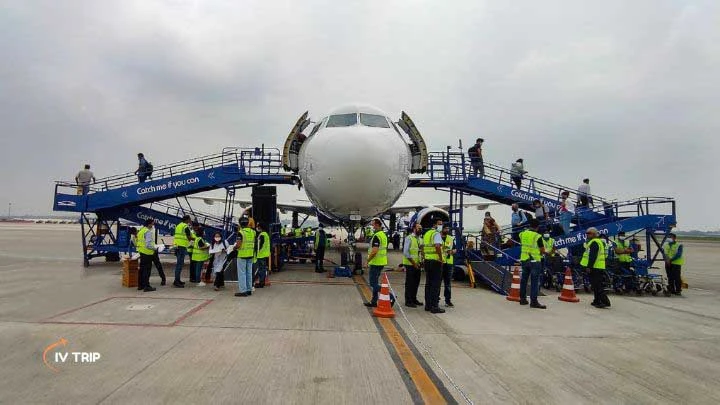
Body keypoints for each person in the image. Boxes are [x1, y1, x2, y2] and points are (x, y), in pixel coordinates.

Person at [518, 219, 546, 309]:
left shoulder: (522, 234)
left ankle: (522, 299)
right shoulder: (537, 236)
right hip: (534, 261)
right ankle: (533, 302)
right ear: (537, 227)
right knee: (534, 281)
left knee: (524, 280)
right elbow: (542, 250)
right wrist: (540, 254)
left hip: (524, 259)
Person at [582, 227, 610, 308]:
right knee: (595, 285)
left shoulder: (594, 242)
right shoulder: (596, 242)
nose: (587, 235)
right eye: (586, 233)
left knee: (597, 286)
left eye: (589, 233)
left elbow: (592, 256)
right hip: (598, 266)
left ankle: (604, 301)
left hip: (595, 267)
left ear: (594, 234)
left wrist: (589, 267)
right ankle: (597, 300)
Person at [423, 219, 446, 314]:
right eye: (439, 224)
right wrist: (441, 258)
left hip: (427, 261)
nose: (441, 226)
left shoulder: (427, 234)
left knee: (428, 284)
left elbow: (423, 247)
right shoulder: (436, 234)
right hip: (435, 261)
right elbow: (437, 246)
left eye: (442, 224)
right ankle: (434, 306)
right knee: (436, 285)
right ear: (434, 225)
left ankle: (428, 305)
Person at [364, 218, 388, 308]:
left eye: (373, 224)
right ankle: (374, 301)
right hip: (381, 262)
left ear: (377, 225)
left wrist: (367, 261)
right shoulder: (383, 235)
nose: (372, 226)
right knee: (375, 282)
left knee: (373, 283)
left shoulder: (377, 236)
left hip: (375, 263)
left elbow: (374, 251)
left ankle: (388, 294)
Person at [403, 223, 424, 308]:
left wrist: (422, 261)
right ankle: (408, 301)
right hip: (410, 264)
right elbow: (406, 252)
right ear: (414, 229)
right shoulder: (409, 238)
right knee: (410, 283)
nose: (420, 229)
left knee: (416, 283)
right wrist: (414, 263)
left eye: (421, 228)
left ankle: (414, 298)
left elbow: (421, 251)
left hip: (418, 264)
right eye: (419, 228)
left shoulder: (420, 239)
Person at [235, 218, 256, 297]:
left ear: (240, 224)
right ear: (248, 223)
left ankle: (243, 291)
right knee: (249, 273)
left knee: (242, 274)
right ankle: (249, 290)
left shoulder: (240, 233)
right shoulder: (253, 232)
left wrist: (234, 248)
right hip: (250, 254)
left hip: (242, 255)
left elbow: (238, 245)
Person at [136, 219, 157, 292]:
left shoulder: (141, 231)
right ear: (149, 224)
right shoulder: (148, 232)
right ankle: (147, 286)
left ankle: (140, 285)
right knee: (147, 270)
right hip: (147, 253)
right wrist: (155, 248)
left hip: (142, 252)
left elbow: (137, 242)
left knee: (141, 270)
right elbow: (148, 244)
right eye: (152, 224)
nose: (152, 226)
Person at [441, 224, 456, 307]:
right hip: (440, 262)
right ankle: (436, 299)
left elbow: (455, 248)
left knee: (448, 283)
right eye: (446, 228)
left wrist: (453, 251)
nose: (447, 230)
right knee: (438, 282)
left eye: (448, 228)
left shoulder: (450, 238)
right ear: (442, 229)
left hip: (449, 263)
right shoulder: (438, 237)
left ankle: (448, 300)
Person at [255, 223, 270, 288]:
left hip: (261, 254)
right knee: (263, 268)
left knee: (261, 269)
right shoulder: (266, 234)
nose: (257, 228)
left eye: (258, 226)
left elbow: (259, 245)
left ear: (260, 227)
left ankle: (261, 283)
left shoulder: (262, 235)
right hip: (264, 254)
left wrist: (255, 250)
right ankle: (262, 282)